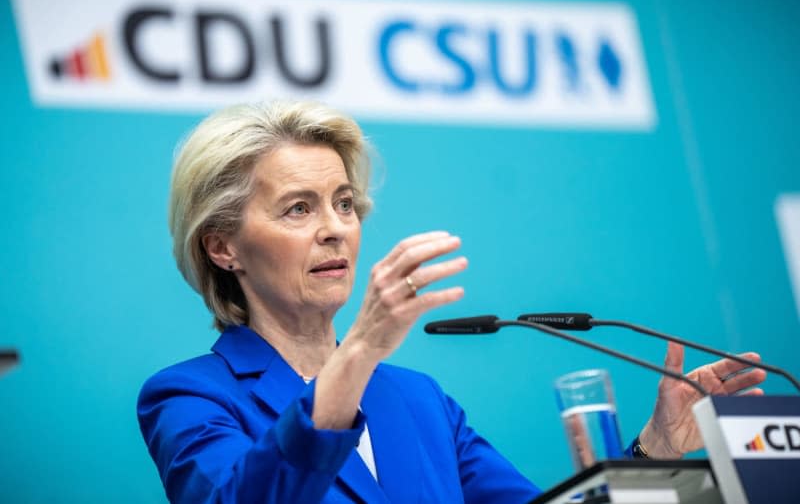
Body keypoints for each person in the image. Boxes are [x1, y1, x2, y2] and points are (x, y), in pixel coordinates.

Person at [137, 100, 766, 504]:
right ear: (224, 248)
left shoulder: (418, 400)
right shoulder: (190, 396)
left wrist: (654, 449)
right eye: (299, 208)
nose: (336, 227)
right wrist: (359, 349)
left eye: (345, 203)